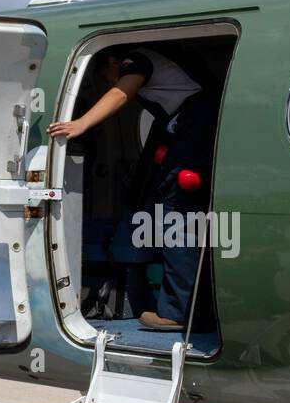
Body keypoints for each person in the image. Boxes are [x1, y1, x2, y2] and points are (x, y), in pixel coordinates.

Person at [48, 47, 218, 330]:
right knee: (179, 217)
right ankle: (191, 308)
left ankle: (178, 313)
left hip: (196, 125)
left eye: (108, 74)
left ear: (114, 62)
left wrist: (80, 124)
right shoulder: (173, 92)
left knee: (178, 217)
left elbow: (121, 92)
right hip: (194, 127)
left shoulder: (136, 59)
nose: (112, 81)